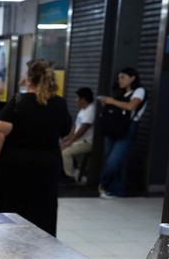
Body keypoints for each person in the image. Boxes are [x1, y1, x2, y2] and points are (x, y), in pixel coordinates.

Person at [0, 60, 72, 237]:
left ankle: (7, 246)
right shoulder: (60, 103)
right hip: (47, 164)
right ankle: (41, 246)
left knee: (11, 208)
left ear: (29, 80)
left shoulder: (19, 101)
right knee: (43, 209)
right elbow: (66, 131)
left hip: (15, 163)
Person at [98, 67, 148, 199]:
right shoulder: (120, 92)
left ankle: (104, 182)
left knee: (114, 160)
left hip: (128, 127)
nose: (120, 80)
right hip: (113, 126)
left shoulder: (139, 91)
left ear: (132, 78)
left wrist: (112, 101)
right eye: (119, 77)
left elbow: (131, 106)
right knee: (112, 159)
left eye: (123, 77)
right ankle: (116, 190)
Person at [60, 87, 96, 181]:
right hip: (79, 140)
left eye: (77, 98)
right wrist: (69, 137)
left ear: (83, 99)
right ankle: (67, 170)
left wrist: (70, 142)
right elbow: (75, 126)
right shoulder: (83, 110)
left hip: (87, 142)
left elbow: (83, 129)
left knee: (66, 152)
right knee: (60, 146)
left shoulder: (91, 110)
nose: (75, 100)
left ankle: (70, 176)